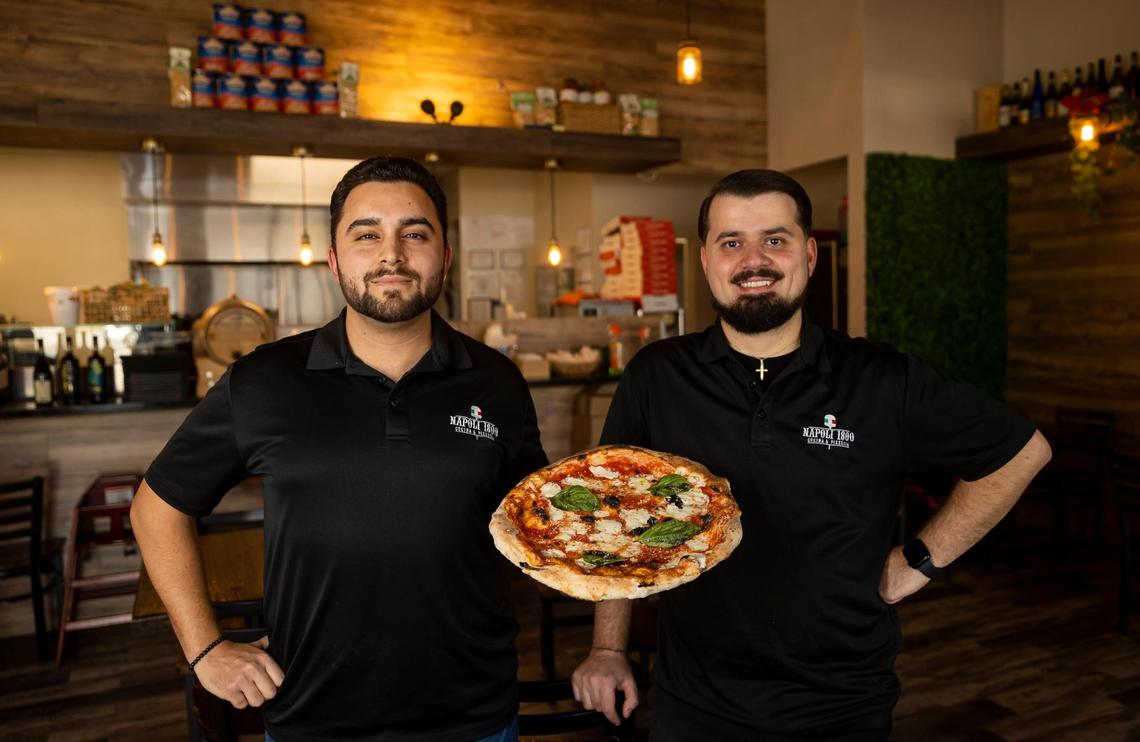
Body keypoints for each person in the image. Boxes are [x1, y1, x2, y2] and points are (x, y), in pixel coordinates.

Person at [570, 169, 1051, 740]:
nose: (753, 260)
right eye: (731, 242)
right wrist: (607, 648)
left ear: (810, 254)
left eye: (775, 239)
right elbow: (615, 515)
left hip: (842, 705)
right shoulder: (657, 375)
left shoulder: (881, 378)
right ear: (705, 260)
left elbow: (1022, 451)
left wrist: (920, 560)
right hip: (693, 699)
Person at [131, 156, 546, 742]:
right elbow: (157, 507)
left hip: (476, 714)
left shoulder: (498, 382)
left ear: (445, 256)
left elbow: (538, 520)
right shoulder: (263, 381)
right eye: (366, 234)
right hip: (313, 717)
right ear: (333, 260)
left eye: (415, 234)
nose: (392, 255)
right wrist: (205, 650)